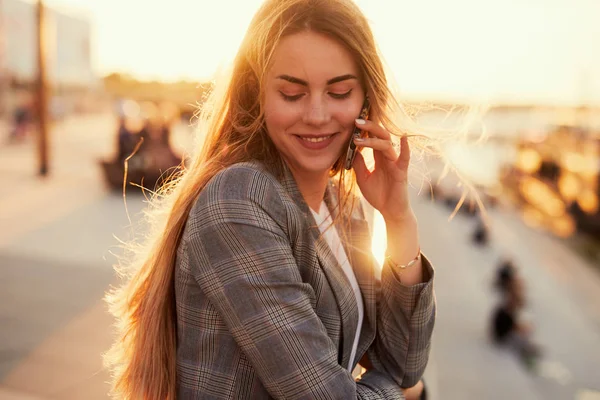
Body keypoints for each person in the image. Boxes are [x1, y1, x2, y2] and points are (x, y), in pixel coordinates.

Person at [105, 0, 436, 398]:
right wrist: (401, 394)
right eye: (292, 93)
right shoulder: (240, 202)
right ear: (257, 94)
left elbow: (404, 361)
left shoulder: (341, 206)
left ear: (365, 99)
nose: (316, 114)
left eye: (339, 92)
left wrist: (398, 217)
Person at [491, 259, 541, 368]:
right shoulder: (508, 309)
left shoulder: (506, 306)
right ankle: (527, 356)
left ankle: (527, 350)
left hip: (501, 331)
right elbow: (513, 326)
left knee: (525, 329)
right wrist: (523, 328)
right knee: (525, 333)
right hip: (501, 337)